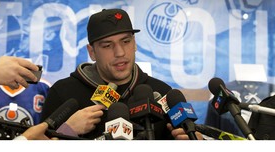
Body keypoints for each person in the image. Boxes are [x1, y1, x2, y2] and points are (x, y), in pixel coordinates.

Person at [40, 8, 203, 140]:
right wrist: (67, 132)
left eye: (126, 42)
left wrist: (194, 142)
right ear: (92, 52)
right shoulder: (63, 93)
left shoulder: (162, 92)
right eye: (107, 45)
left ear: (135, 43)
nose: (120, 52)